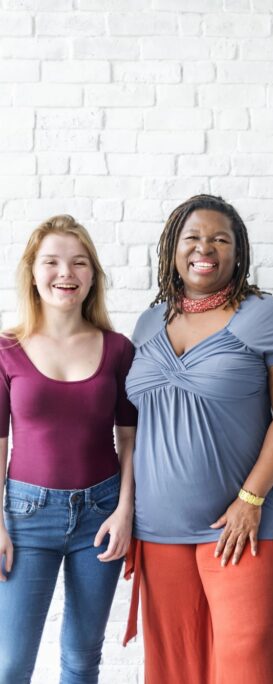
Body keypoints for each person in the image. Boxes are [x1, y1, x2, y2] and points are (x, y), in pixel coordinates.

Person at [124, 194, 273, 684]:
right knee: (174, 667)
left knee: (244, 664)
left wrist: (252, 498)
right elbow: (135, 426)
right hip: (159, 527)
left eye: (219, 238)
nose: (205, 248)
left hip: (242, 522)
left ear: (237, 251)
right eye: (193, 237)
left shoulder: (263, 316)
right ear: (173, 249)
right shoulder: (149, 322)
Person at [0, 216, 136, 684]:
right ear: (32, 273)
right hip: (24, 518)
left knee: (81, 660)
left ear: (92, 275)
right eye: (52, 261)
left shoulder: (118, 349)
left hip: (100, 515)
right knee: (10, 665)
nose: (66, 273)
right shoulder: (6, 349)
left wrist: (125, 511)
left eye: (79, 263)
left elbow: (130, 438)